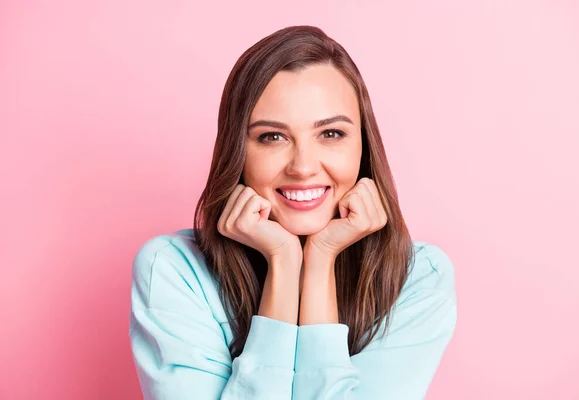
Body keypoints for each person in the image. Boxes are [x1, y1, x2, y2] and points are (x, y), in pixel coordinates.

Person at [129, 25, 457, 399]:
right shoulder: (174, 271)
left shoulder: (417, 279)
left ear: (363, 148)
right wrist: (284, 265)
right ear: (238, 151)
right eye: (273, 137)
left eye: (330, 134)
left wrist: (320, 261)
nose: (303, 166)